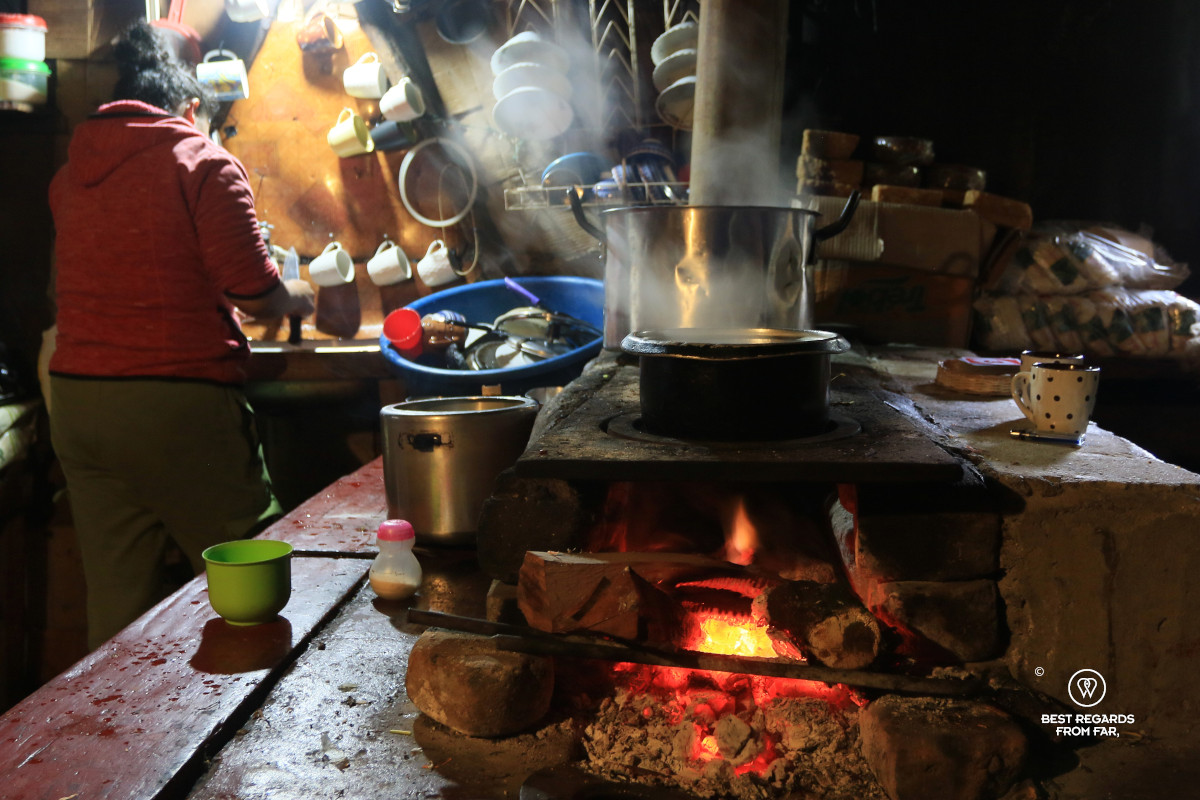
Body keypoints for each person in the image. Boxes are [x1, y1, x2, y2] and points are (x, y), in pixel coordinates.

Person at [46, 21, 314, 649]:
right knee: (250, 581)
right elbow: (252, 291)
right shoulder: (201, 160)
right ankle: (264, 729)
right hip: (174, 403)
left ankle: (112, 742)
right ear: (191, 108)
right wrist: (295, 294)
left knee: (117, 599)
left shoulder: (68, 176)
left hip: (79, 402)